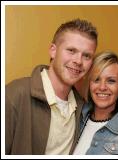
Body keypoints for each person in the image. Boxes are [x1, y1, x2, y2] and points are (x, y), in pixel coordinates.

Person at [5, 18, 98, 155]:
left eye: (86, 56)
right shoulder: (15, 94)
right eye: (71, 50)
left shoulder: (83, 108)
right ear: (53, 51)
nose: (78, 61)